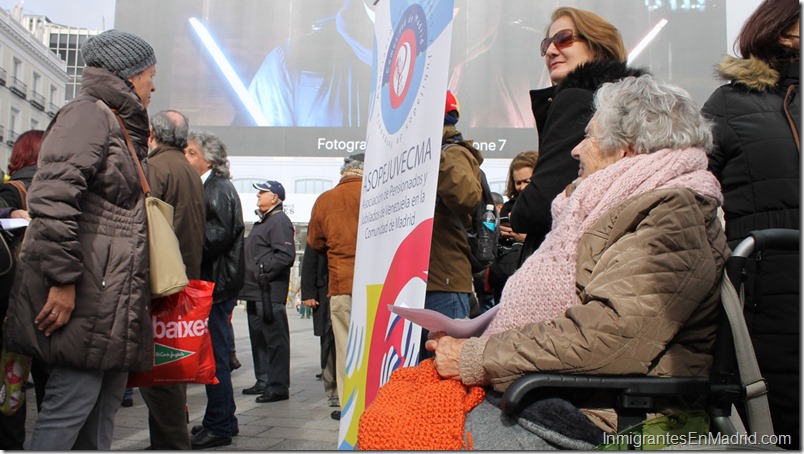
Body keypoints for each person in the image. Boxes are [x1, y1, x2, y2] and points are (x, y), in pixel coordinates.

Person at [360, 75, 728, 450]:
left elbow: (611, 335)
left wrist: (477, 356)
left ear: (626, 148)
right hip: (559, 390)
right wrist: (473, 338)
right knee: (397, 410)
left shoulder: (673, 214)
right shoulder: (616, 206)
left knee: (401, 432)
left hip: (608, 412)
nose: (576, 150)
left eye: (589, 136)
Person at [2, 29, 157, 450]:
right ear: (128, 75)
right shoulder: (88, 114)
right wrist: (63, 280)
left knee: (101, 411)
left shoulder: (117, 121)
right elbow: (52, 199)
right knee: (70, 407)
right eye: (149, 75)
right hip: (87, 294)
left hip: (109, 297)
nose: (153, 85)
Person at [702, 0, 800, 447]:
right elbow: (690, 186)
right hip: (767, 291)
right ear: (785, 32)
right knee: (779, 426)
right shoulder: (731, 102)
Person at [510, 7, 645, 264]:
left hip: (567, 263)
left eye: (563, 39)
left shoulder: (576, 98)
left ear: (597, 46)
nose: (550, 51)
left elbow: (538, 206)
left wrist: (518, 211)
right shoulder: (625, 105)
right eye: (546, 44)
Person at [140, 109, 206, 451]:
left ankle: (170, 443)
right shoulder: (187, 169)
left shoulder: (157, 167)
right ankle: (168, 439)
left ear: (152, 132)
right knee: (170, 372)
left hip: (162, 281)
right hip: (183, 277)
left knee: (160, 374)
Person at [184, 130, 245, 449]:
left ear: (208, 158)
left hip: (216, 285)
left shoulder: (218, 187)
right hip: (214, 283)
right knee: (214, 352)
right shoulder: (209, 186)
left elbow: (218, 234)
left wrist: (183, 248)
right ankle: (224, 419)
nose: (186, 156)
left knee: (215, 356)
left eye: (191, 152)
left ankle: (219, 424)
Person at [418, 90, 482, 360]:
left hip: (442, 279)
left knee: (446, 365)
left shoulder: (452, 152)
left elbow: (467, 196)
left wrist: (435, 153)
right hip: (424, 277)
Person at [307, 153, 363, 420]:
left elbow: (315, 242)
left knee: (345, 348)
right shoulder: (377, 193)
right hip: (377, 283)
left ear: (344, 171)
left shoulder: (326, 199)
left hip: (341, 284)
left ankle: (349, 405)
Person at [0, 129, 45, 450]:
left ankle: (13, 445)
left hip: (11, 309)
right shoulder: (41, 188)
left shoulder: (12, 187)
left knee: (11, 388)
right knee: (52, 387)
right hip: (48, 304)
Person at [240, 180, 295, 403]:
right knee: (259, 338)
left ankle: (278, 386)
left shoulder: (279, 220)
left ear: (275, 197)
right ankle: (263, 380)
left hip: (268, 291)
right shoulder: (264, 221)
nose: (258, 196)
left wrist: (263, 271)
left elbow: (285, 255)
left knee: (275, 340)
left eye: (262, 193)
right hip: (254, 291)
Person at [487, 150, 538, 305]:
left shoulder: (546, 207)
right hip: (504, 277)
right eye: (518, 182)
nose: (522, 187)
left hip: (531, 280)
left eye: (527, 181)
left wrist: (521, 237)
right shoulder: (508, 207)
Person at [300, 243, 339, 409]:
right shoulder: (321, 216)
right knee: (329, 340)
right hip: (327, 287)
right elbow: (311, 254)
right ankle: (334, 390)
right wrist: (308, 291)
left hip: (351, 284)